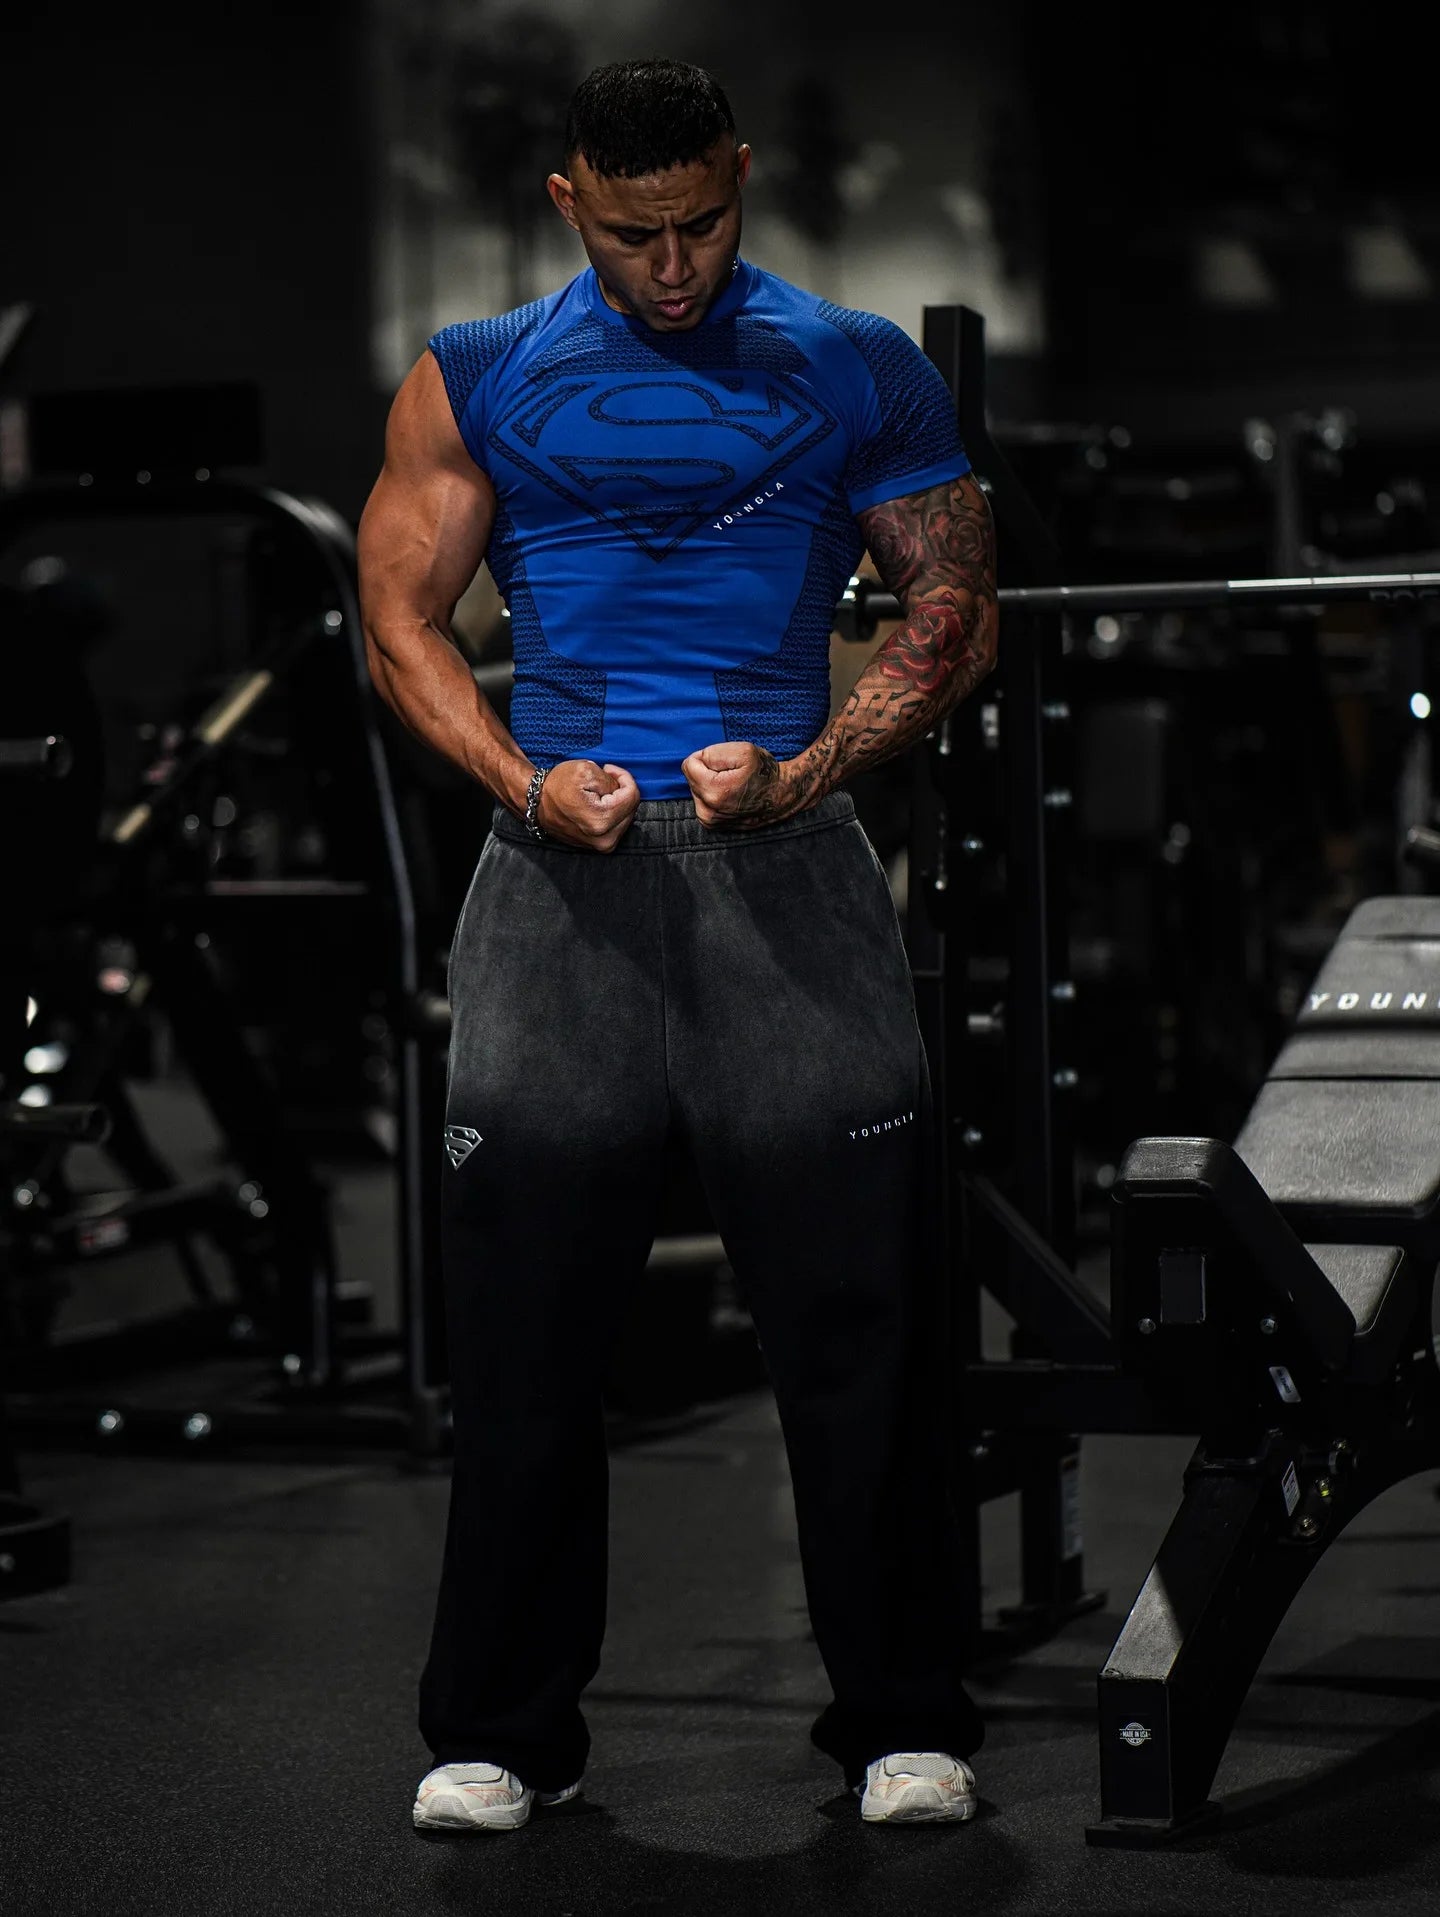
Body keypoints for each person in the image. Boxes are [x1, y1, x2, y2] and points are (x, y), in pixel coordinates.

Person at [356, 56, 999, 1834]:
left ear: (740, 179)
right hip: (554, 877)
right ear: (570, 200)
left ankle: (900, 1715)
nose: (672, 265)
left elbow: (953, 611)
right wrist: (519, 775)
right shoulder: (477, 372)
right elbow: (399, 616)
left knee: (857, 1318)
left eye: (702, 223)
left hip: (782, 862)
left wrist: (813, 765)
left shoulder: (853, 362)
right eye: (634, 232)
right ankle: (505, 1730)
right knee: (527, 1327)